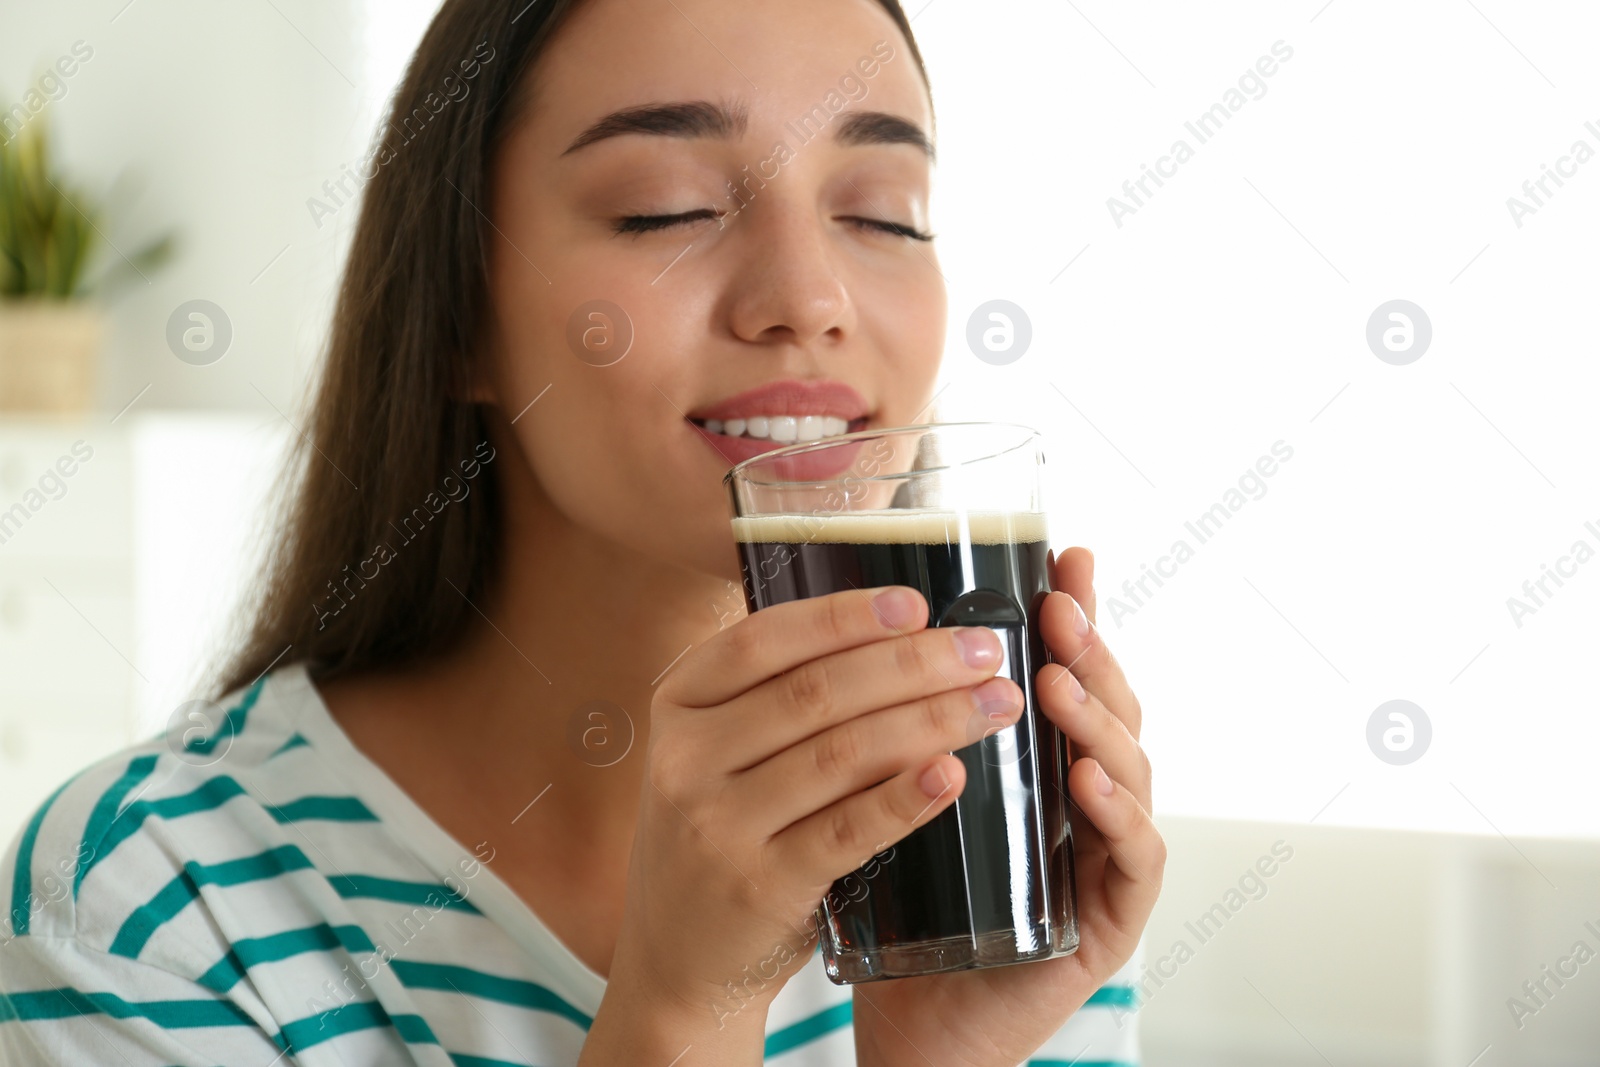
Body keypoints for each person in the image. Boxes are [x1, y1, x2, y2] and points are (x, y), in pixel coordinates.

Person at [0, 0, 1165, 1062]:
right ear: (457, 313)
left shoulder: (1003, 858)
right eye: (669, 207)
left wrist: (936, 1056)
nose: (811, 297)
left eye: (883, 215)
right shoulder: (148, 896)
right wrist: (679, 1014)